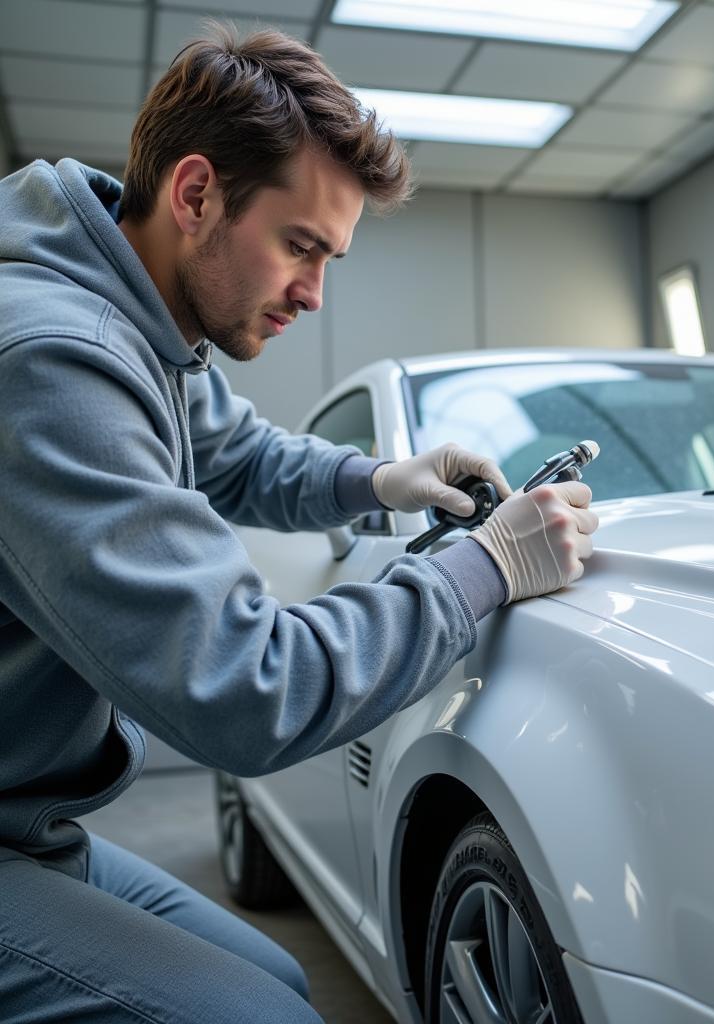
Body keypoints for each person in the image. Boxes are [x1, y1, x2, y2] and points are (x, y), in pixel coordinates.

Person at [0, 24, 598, 1023]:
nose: (315, 294)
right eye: (300, 246)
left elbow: (236, 454)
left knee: (276, 977)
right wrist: (486, 569)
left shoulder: (136, 314)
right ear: (196, 194)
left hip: (31, 822)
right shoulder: (54, 362)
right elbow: (244, 688)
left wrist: (385, 478)